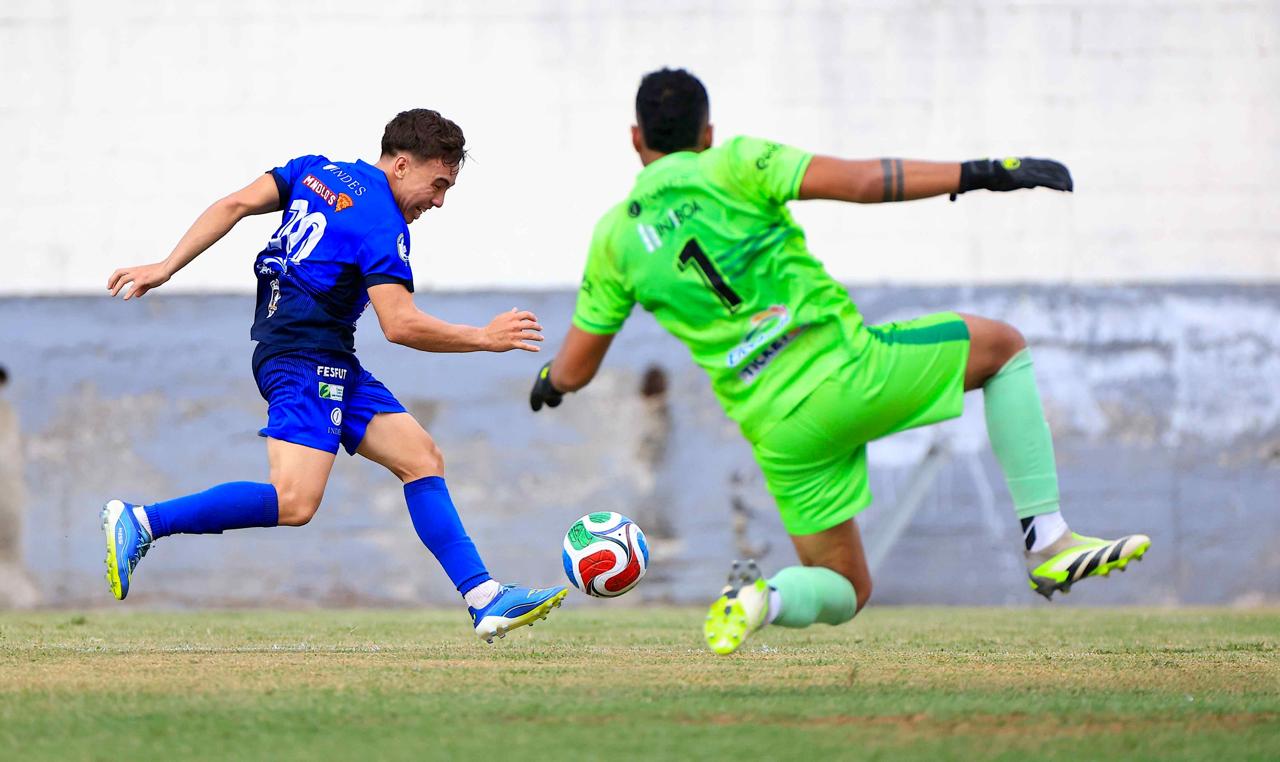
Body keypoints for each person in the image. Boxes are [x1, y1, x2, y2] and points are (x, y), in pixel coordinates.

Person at [529, 68, 1150, 655]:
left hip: (781, 431)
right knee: (1004, 348)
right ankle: (1048, 538)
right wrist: (981, 172)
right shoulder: (737, 162)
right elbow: (862, 183)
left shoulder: (615, 237)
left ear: (636, 139)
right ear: (707, 133)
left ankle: (762, 599)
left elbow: (576, 370)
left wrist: (549, 383)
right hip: (851, 372)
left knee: (842, 585)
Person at [103, 109, 565, 642]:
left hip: (326, 356)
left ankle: (484, 599)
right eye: (437, 184)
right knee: (295, 500)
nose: (439, 201)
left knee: (420, 458)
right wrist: (485, 337)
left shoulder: (314, 171)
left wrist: (166, 266)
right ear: (400, 164)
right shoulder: (381, 223)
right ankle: (142, 521)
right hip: (302, 359)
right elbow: (400, 324)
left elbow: (233, 204)